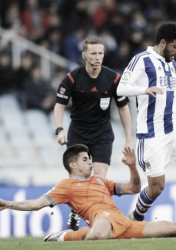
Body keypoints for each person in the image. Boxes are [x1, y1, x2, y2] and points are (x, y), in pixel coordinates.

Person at [0, 144, 176, 242]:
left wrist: (132, 168)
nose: (91, 162)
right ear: (72, 165)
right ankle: (67, 236)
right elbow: (35, 204)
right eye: (85, 159)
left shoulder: (102, 181)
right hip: (101, 218)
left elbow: (135, 188)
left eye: (90, 158)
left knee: (173, 227)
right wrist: (7, 204)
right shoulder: (65, 186)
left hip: (123, 222)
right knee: (98, 232)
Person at [116, 23, 176, 222]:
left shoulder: (170, 62)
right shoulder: (141, 60)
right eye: (175, 46)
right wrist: (143, 90)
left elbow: (173, 84)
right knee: (156, 188)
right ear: (163, 43)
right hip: (152, 134)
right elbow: (121, 88)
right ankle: (135, 219)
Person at [54, 37, 132, 229]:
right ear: (84, 55)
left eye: (101, 53)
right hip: (78, 133)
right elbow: (59, 105)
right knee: (79, 178)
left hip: (102, 133)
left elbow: (123, 108)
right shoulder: (72, 78)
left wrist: (129, 138)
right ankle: (75, 213)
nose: (98, 57)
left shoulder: (114, 78)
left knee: (99, 177)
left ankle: (99, 217)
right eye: (93, 53)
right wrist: (60, 129)